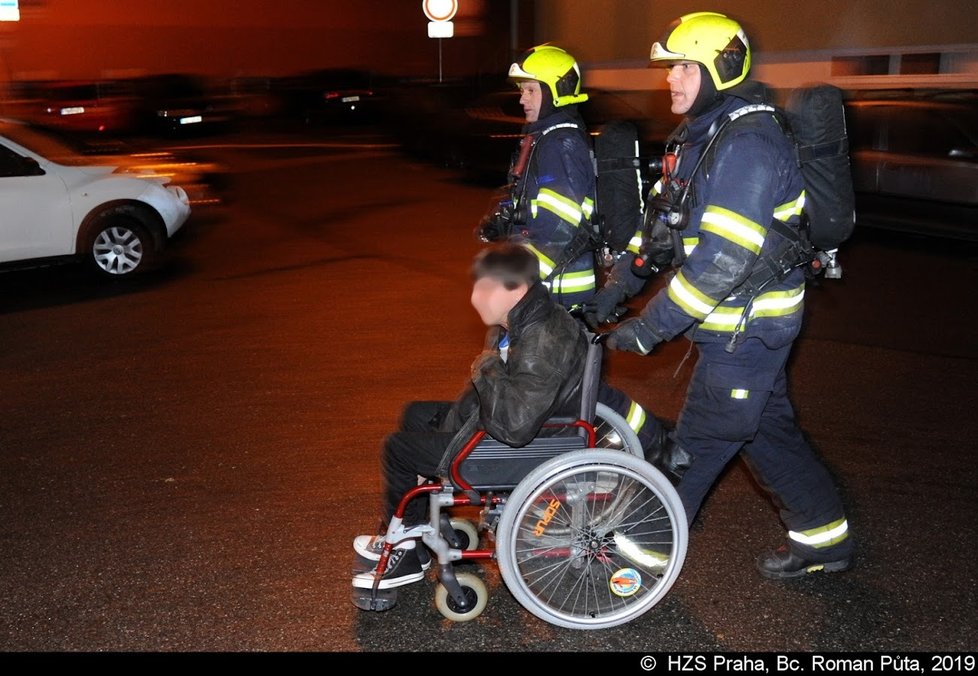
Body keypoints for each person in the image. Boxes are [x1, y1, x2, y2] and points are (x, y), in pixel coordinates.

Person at [588, 11, 853, 579]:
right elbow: (660, 225)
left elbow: (724, 261)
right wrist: (618, 289)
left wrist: (653, 324)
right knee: (765, 430)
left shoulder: (749, 142)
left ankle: (637, 559)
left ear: (720, 68)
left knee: (700, 440)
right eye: (671, 67)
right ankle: (825, 539)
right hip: (731, 326)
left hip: (749, 328)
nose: (671, 78)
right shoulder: (702, 135)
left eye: (684, 65)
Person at [351, 242, 590, 591]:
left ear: (516, 289)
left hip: (518, 447)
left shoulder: (541, 339)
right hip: (503, 426)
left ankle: (402, 551)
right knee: (416, 414)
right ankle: (410, 539)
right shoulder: (527, 320)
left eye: (485, 287)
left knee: (398, 448)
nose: (476, 297)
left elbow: (515, 425)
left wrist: (488, 365)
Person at [479, 43, 673, 466]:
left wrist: (518, 289)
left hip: (557, 293)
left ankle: (657, 445)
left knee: (575, 392)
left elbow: (558, 228)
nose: (522, 97)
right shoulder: (545, 138)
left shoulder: (560, 143)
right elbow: (535, 214)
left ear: (551, 91)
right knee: (568, 390)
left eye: (530, 89)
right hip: (547, 290)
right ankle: (632, 448)